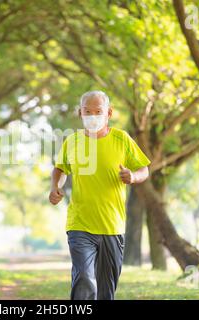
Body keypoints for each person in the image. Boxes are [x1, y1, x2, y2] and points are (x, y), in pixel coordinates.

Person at [49, 91, 150, 300]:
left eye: (98, 111)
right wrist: (55, 187)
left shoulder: (122, 139)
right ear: (80, 113)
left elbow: (144, 170)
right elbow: (60, 169)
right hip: (80, 224)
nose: (93, 115)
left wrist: (132, 176)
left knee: (106, 290)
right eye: (88, 111)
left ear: (109, 113)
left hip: (112, 226)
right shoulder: (72, 141)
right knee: (84, 278)